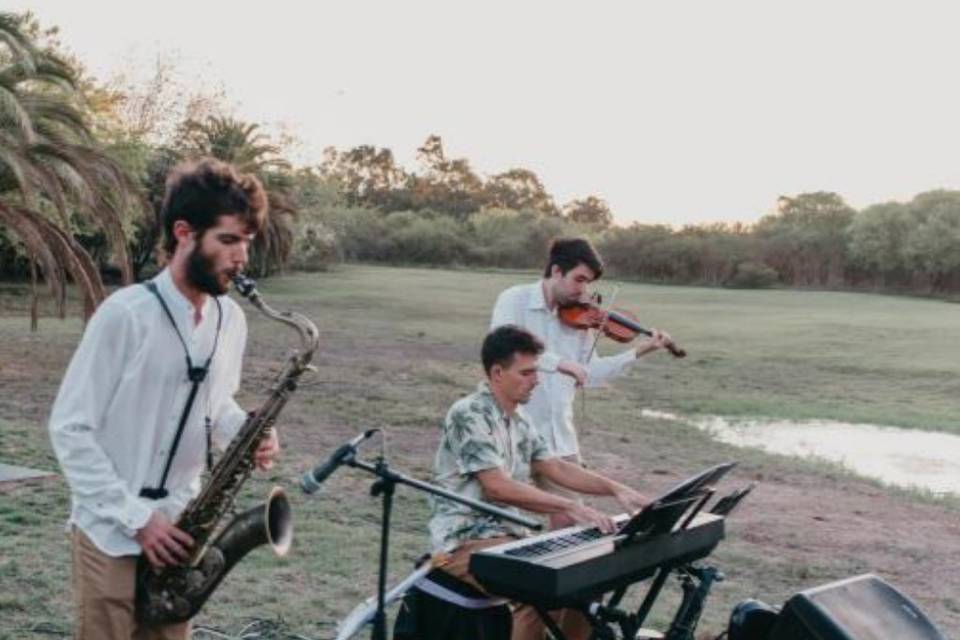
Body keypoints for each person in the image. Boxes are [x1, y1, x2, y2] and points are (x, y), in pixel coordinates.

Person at [49, 158, 280, 640]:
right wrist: (138, 520)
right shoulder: (125, 315)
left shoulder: (230, 321)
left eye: (247, 243)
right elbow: (69, 428)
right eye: (229, 240)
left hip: (180, 530)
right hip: (110, 527)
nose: (242, 258)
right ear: (184, 233)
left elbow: (216, 407)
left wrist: (249, 433)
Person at [427, 325, 649, 640]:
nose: (537, 379)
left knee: (584, 582)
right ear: (497, 372)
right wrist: (571, 506)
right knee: (537, 592)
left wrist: (617, 489)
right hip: (462, 541)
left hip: (510, 537)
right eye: (527, 372)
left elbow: (556, 467)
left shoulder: (521, 420)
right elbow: (497, 486)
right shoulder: (469, 413)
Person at [490, 237, 674, 526]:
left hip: (558, 438)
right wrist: (559, 363)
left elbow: (589, 373)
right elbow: (504, 348)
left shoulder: (580, 321)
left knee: (569, 524)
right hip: (511, 432)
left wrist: (639, 351)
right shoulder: (514, 299)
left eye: (588, 283)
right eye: (579, 280)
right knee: (499, 522)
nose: (584, 291)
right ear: (556, 272)